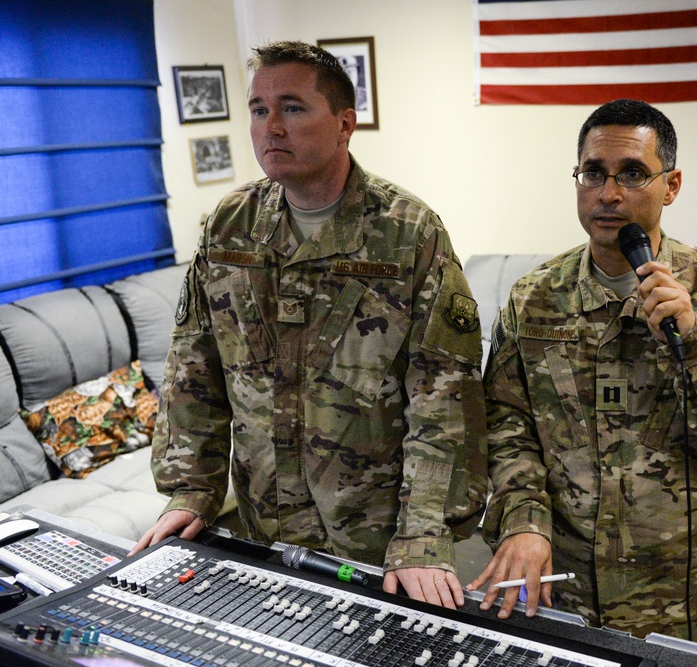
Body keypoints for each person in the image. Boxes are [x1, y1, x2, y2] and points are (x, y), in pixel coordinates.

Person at [133, 41, 487, 610]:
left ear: (345, 123)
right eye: (258, 109)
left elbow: (444, 397)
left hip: (373, 532)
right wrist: (190, 491)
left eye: (293, 108)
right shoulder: (230, 227)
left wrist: (424, 533)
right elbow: (192, 370)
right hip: (261, 520)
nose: (271, 127)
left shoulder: (408, 233)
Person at [467, 99, 697, 666]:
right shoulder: (533, 299)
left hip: (692, 602)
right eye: (593, 173)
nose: (608, 193)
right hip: (561, 589)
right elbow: (506, 425)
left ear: (671, 185)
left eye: (631, 174)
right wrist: (524, 521)